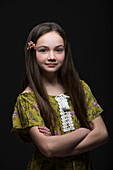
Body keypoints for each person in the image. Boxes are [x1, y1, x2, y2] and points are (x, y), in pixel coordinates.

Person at [12, 22, 109, 170]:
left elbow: (102, 134)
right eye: (43, 50)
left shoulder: (80, 89)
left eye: (58, 50)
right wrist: (83, 131)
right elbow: (49, 148)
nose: (52, 57)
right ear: (33, 52)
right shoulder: (28, 98)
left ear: (66, 52)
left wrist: (62, 149)